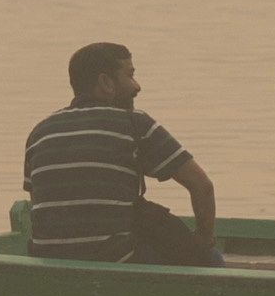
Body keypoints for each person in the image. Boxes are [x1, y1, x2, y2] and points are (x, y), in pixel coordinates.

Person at [23, 41, 223, 265]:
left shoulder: (40, 132)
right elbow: (202, 186)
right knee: (211, 257)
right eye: (130, 76)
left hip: (48, 264)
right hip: (116, 262)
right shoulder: (134, 124)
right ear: (106, 83)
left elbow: (38, 204)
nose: (137, 86)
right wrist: (204, 241)